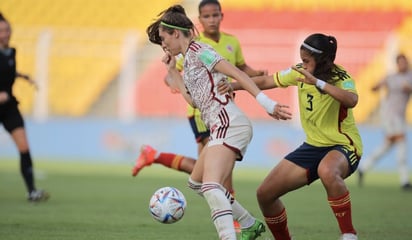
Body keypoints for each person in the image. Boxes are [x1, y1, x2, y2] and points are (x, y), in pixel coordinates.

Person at [146, 4, 291, 240]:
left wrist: (267, 104)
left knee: (211, 185)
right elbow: (194, 102)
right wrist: (173, 74)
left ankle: (228, 236)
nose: (163, 45)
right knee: (196, 183)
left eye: (164, 38)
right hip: (220, 127)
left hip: (230, 123)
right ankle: (249, 224)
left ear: (175, 33)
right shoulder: (189, 60)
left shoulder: (201, 50)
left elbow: (239, 74)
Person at [231, 33, 363, 240]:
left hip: (343, 145)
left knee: (327, 171)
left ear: (321, 61)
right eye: (302, 60)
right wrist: (232, 86)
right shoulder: (299, 72)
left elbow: (352, 100)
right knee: (265, 194)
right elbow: (266, 80)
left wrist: (318, 83)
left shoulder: (341, 77)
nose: (302, 65)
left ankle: (349, 234)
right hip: (312, 147)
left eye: (306, 61)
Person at [133, 0, 266, 183]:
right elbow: (175, 73)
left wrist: (257, 73)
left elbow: (240, 67)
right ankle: (226, 199)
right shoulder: (193, 45)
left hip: (222, 106)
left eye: (215, 15)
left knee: (206, 167)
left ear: (221, 16)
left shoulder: (231, 42)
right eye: (206, 16)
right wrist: (174, 80)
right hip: (200, 112)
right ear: (199, 20)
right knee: (215, 164)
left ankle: (155, 156)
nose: (211, 20)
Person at [0, 13, 49, 202]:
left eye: (7, 30)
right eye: (1, 31)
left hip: (9, 107)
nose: (5, 34)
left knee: (24, 147)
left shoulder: (11, 51)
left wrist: (23, 76)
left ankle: (32, 191)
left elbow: (7, 70)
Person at [358, 53, 412, 190]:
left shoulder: (409, 77)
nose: (403, 65)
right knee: (401, 141)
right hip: (389, 115)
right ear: (397, 64)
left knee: (387, 145)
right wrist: (377, 86)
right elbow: (374, 87)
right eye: (400, 62)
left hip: (400, 116)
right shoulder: (391, 77)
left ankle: (364, 167)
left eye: (404, 62)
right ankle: (404, 180)